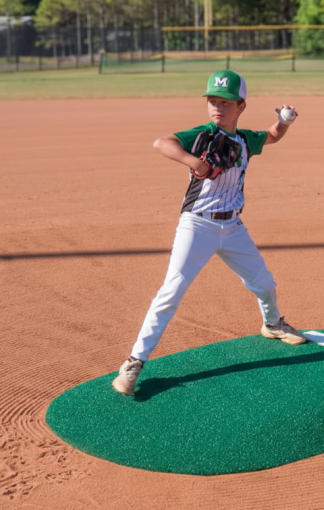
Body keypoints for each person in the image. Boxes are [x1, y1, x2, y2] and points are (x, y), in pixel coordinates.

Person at [113, 69, 306, 396]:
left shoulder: (244, 140)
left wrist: (284, 122)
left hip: (232, 227)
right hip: (198, 225)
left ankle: (272, 324)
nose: (217, 107)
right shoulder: (202, 133)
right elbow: (162, 142)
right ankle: (133, 363)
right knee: (170, 293)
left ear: (240, 106)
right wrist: (195, 161)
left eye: (225, 102)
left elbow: (271, 136)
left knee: (265, 283)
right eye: (213, 101)